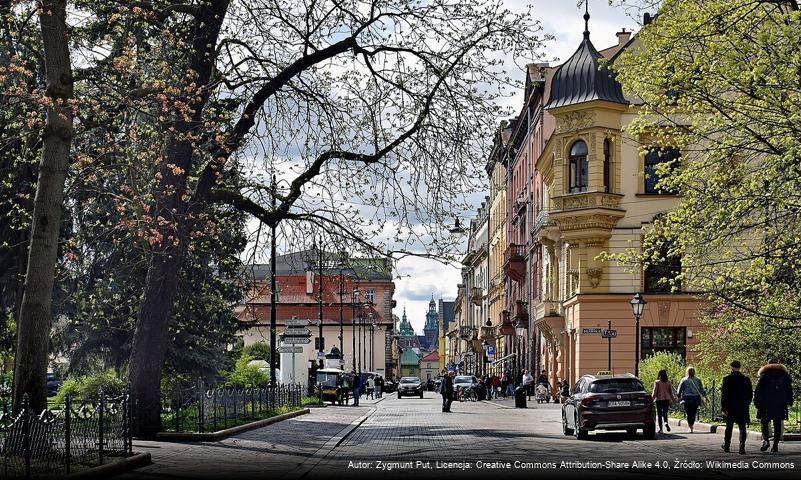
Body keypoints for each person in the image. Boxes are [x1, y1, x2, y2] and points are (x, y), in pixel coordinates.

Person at [754, 357, 793, 453]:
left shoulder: (764, 375)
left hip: (766, 403)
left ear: (768, 364)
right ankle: (775, 445)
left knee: (764, 422)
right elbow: (789, 390)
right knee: (777, 423)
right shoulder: (784, 375)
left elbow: (758, 390)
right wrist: (789, 401)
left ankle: (766, 441)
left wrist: (757, 402)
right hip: (779, 403)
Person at [721, 360, 753, 454]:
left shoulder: (727, 379)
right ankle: (742, 447)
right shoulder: (746, 379)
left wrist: (724, 408)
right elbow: (750, 394)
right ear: (739, 368)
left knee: (729, 427)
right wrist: (747, 404)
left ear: (731, 368)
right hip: (742, 407)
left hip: (730, 407)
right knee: (742, 427)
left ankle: (727, 446)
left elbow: (724, 395)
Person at [677, 366, 706, 433]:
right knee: (693, 413)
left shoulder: (684, 380)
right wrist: (705, 396)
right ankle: (691, 425)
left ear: (687, 372)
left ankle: (690, 426)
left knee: (688, 413)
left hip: (687, 398)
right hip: (696, 398)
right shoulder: (698, 380)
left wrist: (678, 396)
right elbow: (701, 389)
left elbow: (679, 390)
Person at [652, 369, 675, 434]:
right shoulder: (669, 382)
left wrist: (652, 399)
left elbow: (655, 392)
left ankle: (661, 429)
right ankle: (666, 423)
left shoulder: (657, 382)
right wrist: (673, 400)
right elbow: (671, 392)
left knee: (659, 414)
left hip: (659, 400)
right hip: (666, 400)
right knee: (665, 413)